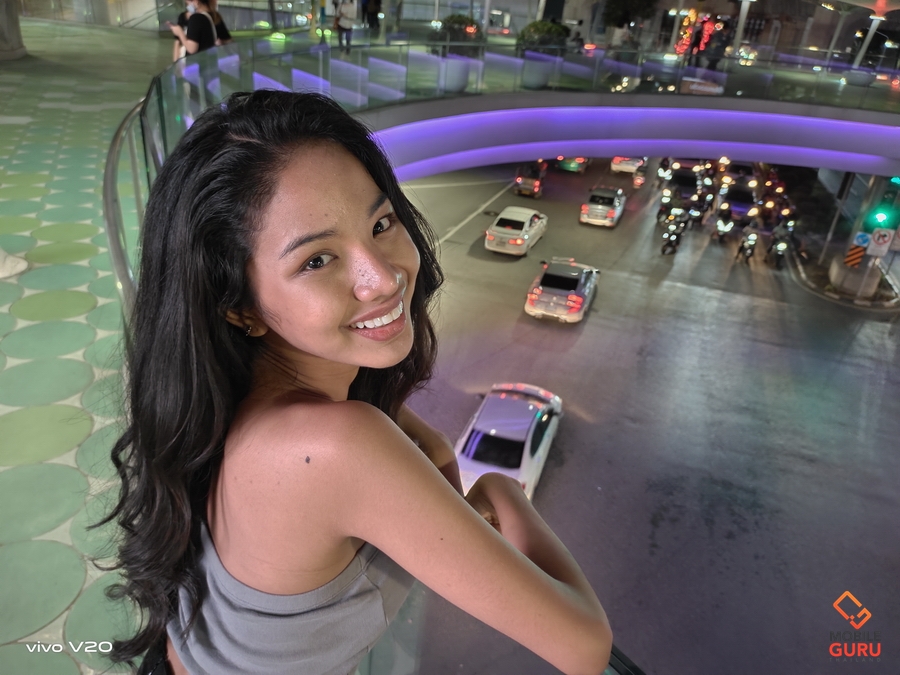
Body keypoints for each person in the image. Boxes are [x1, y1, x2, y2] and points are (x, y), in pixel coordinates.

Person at [105, 90, 613, 675]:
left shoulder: (233, 391)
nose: (383, 277)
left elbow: (421, 458)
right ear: (239, 306)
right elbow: (584, 646)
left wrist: (435, 452)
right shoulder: (334, 444)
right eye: (317, 260)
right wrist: (502, 491)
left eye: (380, 223)